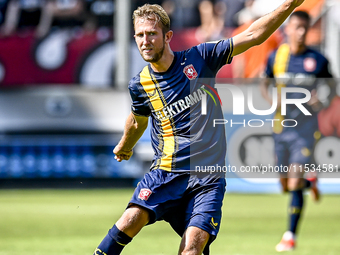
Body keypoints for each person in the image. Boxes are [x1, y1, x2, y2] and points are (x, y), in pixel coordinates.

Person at [93, 1, 307, 255]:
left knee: (192, 248)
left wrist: (291, 4)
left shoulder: (200, 58)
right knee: (129, 220)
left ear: (168, 36)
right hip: (166, 174)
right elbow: (138, 118)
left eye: (152, 33)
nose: (145, 41)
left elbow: (252, 35)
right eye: (140, 35)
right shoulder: (139, 85)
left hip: (208, 179)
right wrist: (125, 144)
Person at [260, 11, 337, 252]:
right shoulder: (277, 57)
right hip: (281, 127)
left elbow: (331, 87)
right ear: (289, 30)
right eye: (297, 27)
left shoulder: (318, 60)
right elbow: (264, 81)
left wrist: (321, 102)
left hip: (306, 129)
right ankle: (309, 181)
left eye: (305, 28)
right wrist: (273, 100)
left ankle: (289, 236)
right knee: (285, 184)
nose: (302, 32)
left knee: (293, 180)